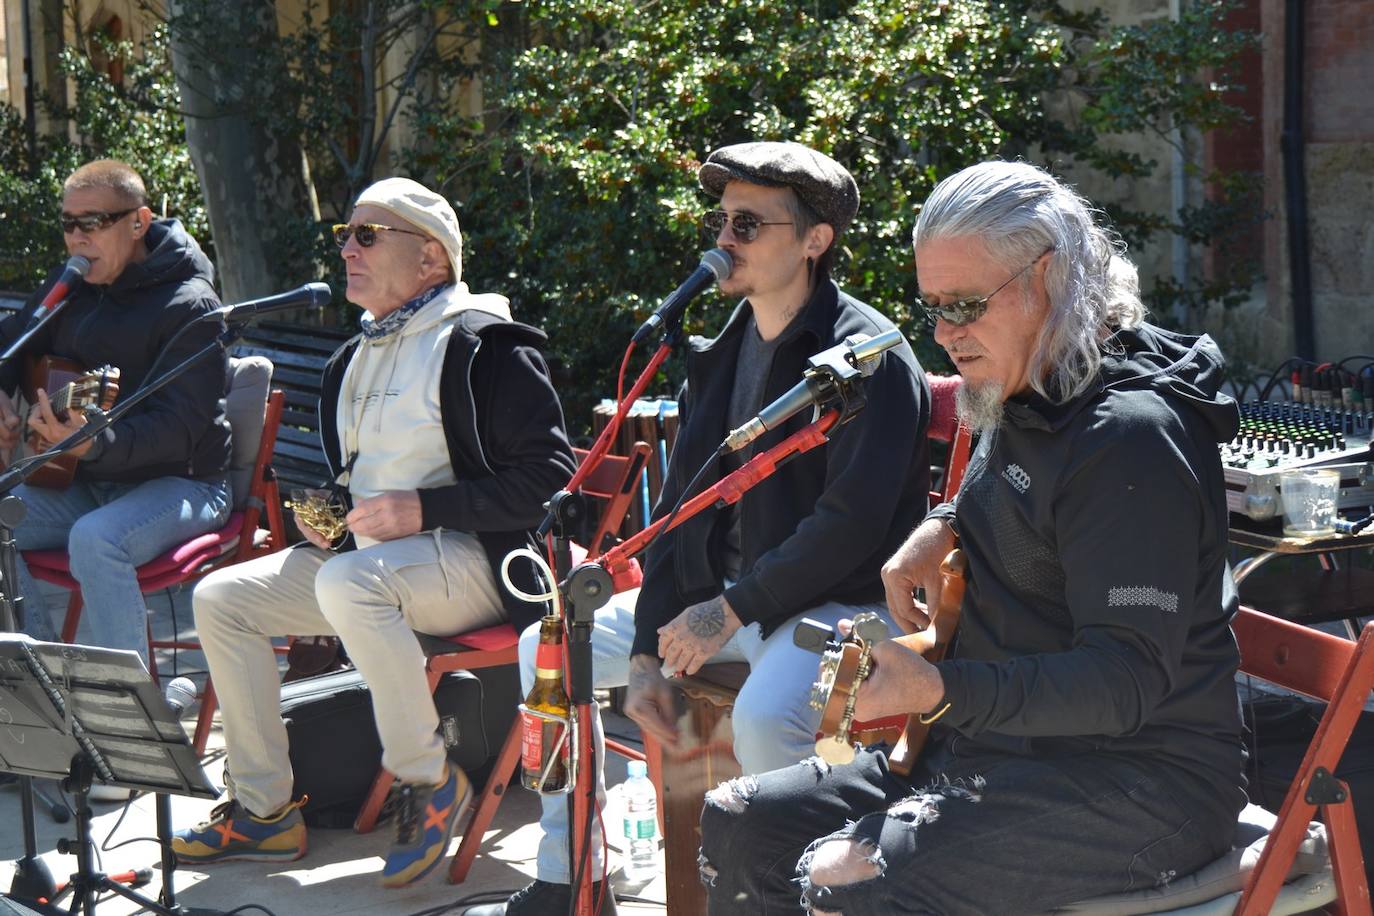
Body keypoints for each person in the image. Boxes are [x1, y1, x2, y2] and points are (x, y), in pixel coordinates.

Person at [697, 159, 1248, 915]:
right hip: (1003, 748)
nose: (947, 336)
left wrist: (939, 688)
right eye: (933, 308)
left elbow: (1123, 681)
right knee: (742, 821)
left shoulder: (1132, 441)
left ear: (1047, 276)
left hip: (1142, 782)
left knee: (845, 875)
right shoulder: (1032, 378)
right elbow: (1041, 501)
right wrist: (945, 521)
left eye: (965, 305)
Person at [467, 141, 932, 915]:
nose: (724, 240)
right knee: (546, 649)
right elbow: (679, 508)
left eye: (748, 224)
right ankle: (566, 878)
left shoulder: (870, 357)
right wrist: (648, 647)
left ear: (815, 240)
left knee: (767, 714)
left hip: (836, 605)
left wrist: (729, 609)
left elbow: (849, 528)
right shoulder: (721, 354)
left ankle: (802, 900)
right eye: (722, 221)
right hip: (733, 604)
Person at [171, 177, 578, 889]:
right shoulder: (353, 358)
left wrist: (425, 510)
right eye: (345, 235)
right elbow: (369, 477)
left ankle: (430, 781)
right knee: (221, 598)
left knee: (349, 582)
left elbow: (550, 480)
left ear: (430, 259)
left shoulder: (485, 346)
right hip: (376, 570)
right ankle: (267, 812)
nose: (347, 250)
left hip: (484, 565)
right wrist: (329, 515)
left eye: (367, 235)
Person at [0, 159, 232, 664]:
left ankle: (129, 714)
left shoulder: (190, 304)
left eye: (92, 223)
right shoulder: (73, 287)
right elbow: (12, 340)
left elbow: (181, 431)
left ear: (138, 222)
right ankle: (40, 682)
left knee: (96, 539)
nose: (76, 238)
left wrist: (96, 443)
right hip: (89, 482)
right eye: (67, 224)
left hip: (183, 484)